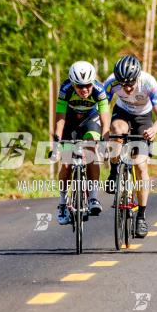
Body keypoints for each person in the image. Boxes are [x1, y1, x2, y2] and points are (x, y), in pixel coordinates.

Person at [103, 55, 157, 238]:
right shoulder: (111, 83)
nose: (127, 88)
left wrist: (154, 130)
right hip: (122, 112)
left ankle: (142, 217)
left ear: (137, 77)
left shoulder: (149, 83)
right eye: (123, 85)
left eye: (130, 84)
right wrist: (104, 130)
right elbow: (102, 107)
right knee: (116, 130)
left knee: (140, 164)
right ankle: (114, 171)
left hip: (143, 118)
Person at [53, 61, 110, 225]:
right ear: (73, 84)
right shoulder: (65, 90)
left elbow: (105, 117)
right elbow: (60, 117)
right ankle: (63, 203)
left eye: (88, 86)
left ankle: (93, 198)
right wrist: (57, 140)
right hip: (70, 121)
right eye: (79, 87)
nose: (84, 90)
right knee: (65, 163)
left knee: (91, 148)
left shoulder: (99, 90)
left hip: (90, 120)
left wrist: (105, 140)